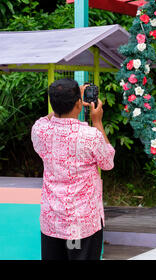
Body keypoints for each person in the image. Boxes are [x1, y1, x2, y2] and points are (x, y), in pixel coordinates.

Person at [31, 78, 115, 260]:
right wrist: (98, 122)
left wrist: (66, 99)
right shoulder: (90, 135)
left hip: (52, 221)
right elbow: (108, 163)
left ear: (52, 103)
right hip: (82, 223)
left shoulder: (40, 130)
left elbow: (47, 118)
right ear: (79, 103)